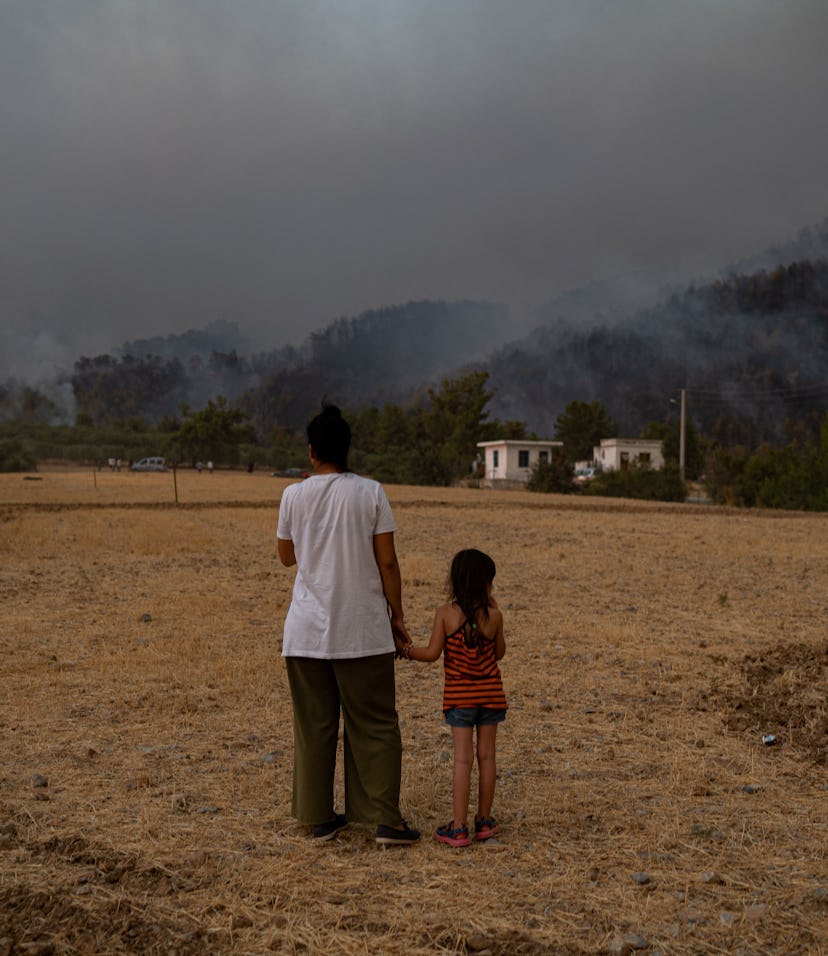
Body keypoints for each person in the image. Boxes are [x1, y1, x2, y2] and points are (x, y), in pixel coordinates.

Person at [276, 404, 420, 846]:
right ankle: (383, 820)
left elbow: (286, 556)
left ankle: (319, 819)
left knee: (315, 725)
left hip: (305, 633)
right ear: (347, 449)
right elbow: (389, 563)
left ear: (312, 450)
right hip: (363, 630)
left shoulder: (293, 495)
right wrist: (397, 617)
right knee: (374, 723)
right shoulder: (371, 492)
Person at [403, 548, 506, 847]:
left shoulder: (446, 614)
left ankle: (458, 827)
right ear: (485, 583)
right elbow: (499, 653)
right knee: (487, 757)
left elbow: (432, 654)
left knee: (463, 759)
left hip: (460, 698)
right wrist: (495, 613)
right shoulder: (494, 615)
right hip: (490, 695)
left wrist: (406, 651)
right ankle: (484, 821)